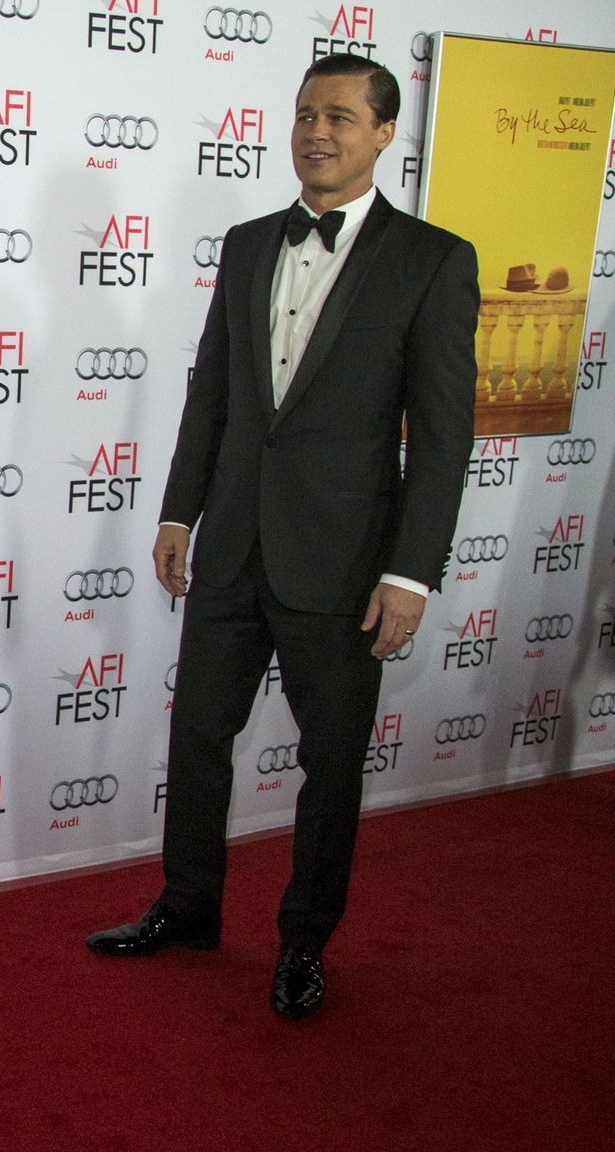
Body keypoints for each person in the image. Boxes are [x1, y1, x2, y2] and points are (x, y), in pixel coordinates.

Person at [85, 53, 477, 1020]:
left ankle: (304, 943)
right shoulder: (250, 242)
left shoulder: (434, 260)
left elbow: (441, 436)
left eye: (342, 116)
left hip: (345, 565)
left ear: (386, 134)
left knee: (330, 764)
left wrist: (411, 576)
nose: (318, 132)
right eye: (306, 114)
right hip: (231, 549)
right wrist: (180, 511)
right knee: (197, 739)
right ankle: (188, 906)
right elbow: (212, 389)